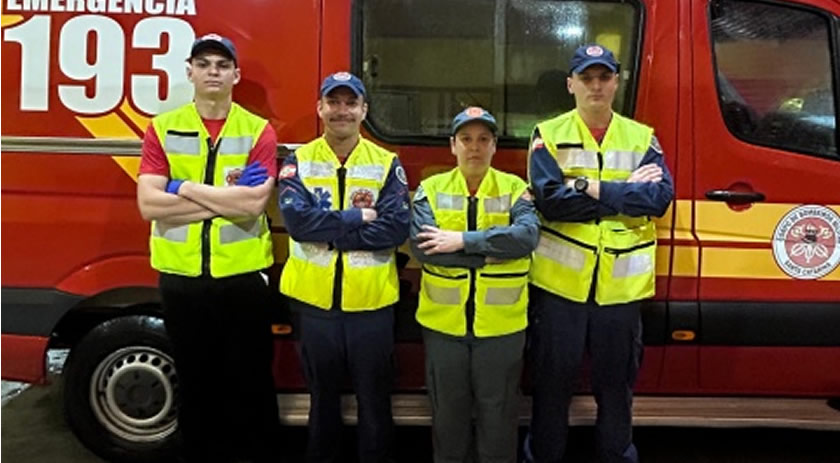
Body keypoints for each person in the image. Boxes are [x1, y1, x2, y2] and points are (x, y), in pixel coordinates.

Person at [525, 44, 674, 463]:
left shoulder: (642, 136)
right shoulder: (548, 133)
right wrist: (626, 191)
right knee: (552, 388)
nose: (595, 85)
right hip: (560, 291)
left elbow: (659, 199)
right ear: (571, 84)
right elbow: (551, 202)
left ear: (616, 82)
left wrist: (588, 187)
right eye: (586, 78)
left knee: (616, 390)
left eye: (603, 77)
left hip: (620, 291)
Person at [136, 33, 280, 463]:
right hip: (182, 280)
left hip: (243, 278)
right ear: (190, 71)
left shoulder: (258, 130)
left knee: (251, 385)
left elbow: (255, 204)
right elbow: (148, 205)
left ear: (235, 74)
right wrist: (223, 202)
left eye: (221, 64)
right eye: (204, 64)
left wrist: (186, 189)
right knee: (196, 385)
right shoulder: (161, 128)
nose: (212, 71)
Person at [277, 71, 410, 463]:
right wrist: (358, 218)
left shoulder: (387, 163)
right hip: (314, 305)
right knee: (322, 404)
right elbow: (299, 226)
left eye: (350, 103)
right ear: (320, 108)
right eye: (333, 102)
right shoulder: (298, 160)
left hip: (371, 306)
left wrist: (330, 229)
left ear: (364, 110)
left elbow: (395, 228)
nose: (341, 111)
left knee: (374, 404)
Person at [410, 107, 539, 463]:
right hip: (443, 327)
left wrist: (463, 241)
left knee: (499, 420)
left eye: (483, 139)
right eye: (466, 139)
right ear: (453, 145)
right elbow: (426, 250)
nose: (474, 147)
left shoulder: (516, 189)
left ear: (495, 146)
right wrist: (492, 253)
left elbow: (527, 238)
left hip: (502, 328)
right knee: (448, 418)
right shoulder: (430, 189)